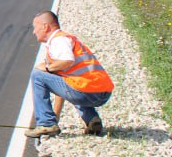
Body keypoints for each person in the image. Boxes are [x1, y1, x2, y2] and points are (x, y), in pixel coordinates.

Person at [25, 10, 114, 138]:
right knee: (73, 84)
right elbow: (63, 86)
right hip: (102, 91)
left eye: (35, 27)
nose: (34, 32)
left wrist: (48, 68)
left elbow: (67, 60)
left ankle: (45, 123)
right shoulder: (67, 39)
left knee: (37, 75)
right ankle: (92, 119)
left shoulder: (58, 41)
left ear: (45, 27)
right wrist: (56, 116)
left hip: (87, 90)